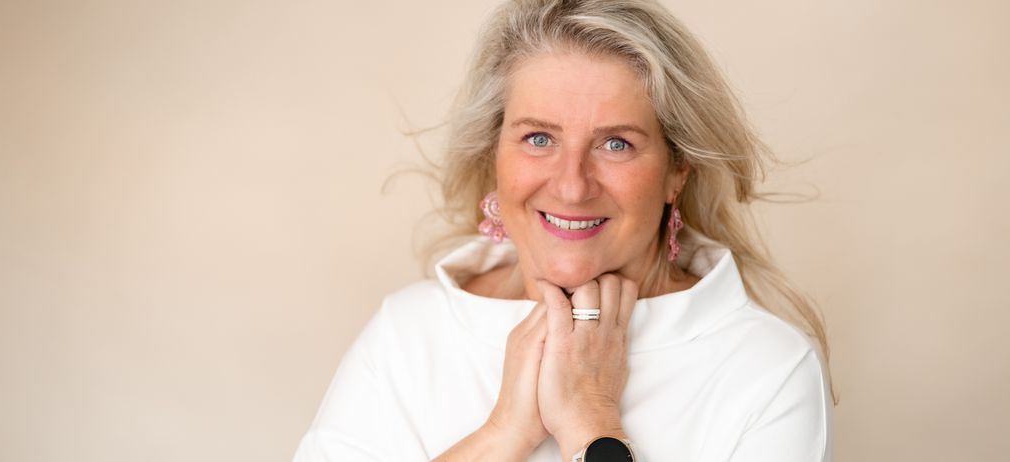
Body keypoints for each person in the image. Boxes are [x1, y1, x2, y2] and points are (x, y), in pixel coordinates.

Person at [293, 0, 834, 460]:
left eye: (616, 143)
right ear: (494, 157)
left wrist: (593, 427)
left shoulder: (766, 366)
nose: (572, 186)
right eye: (538, 138)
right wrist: (504, 433)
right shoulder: (409, 332)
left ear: (677, 171)